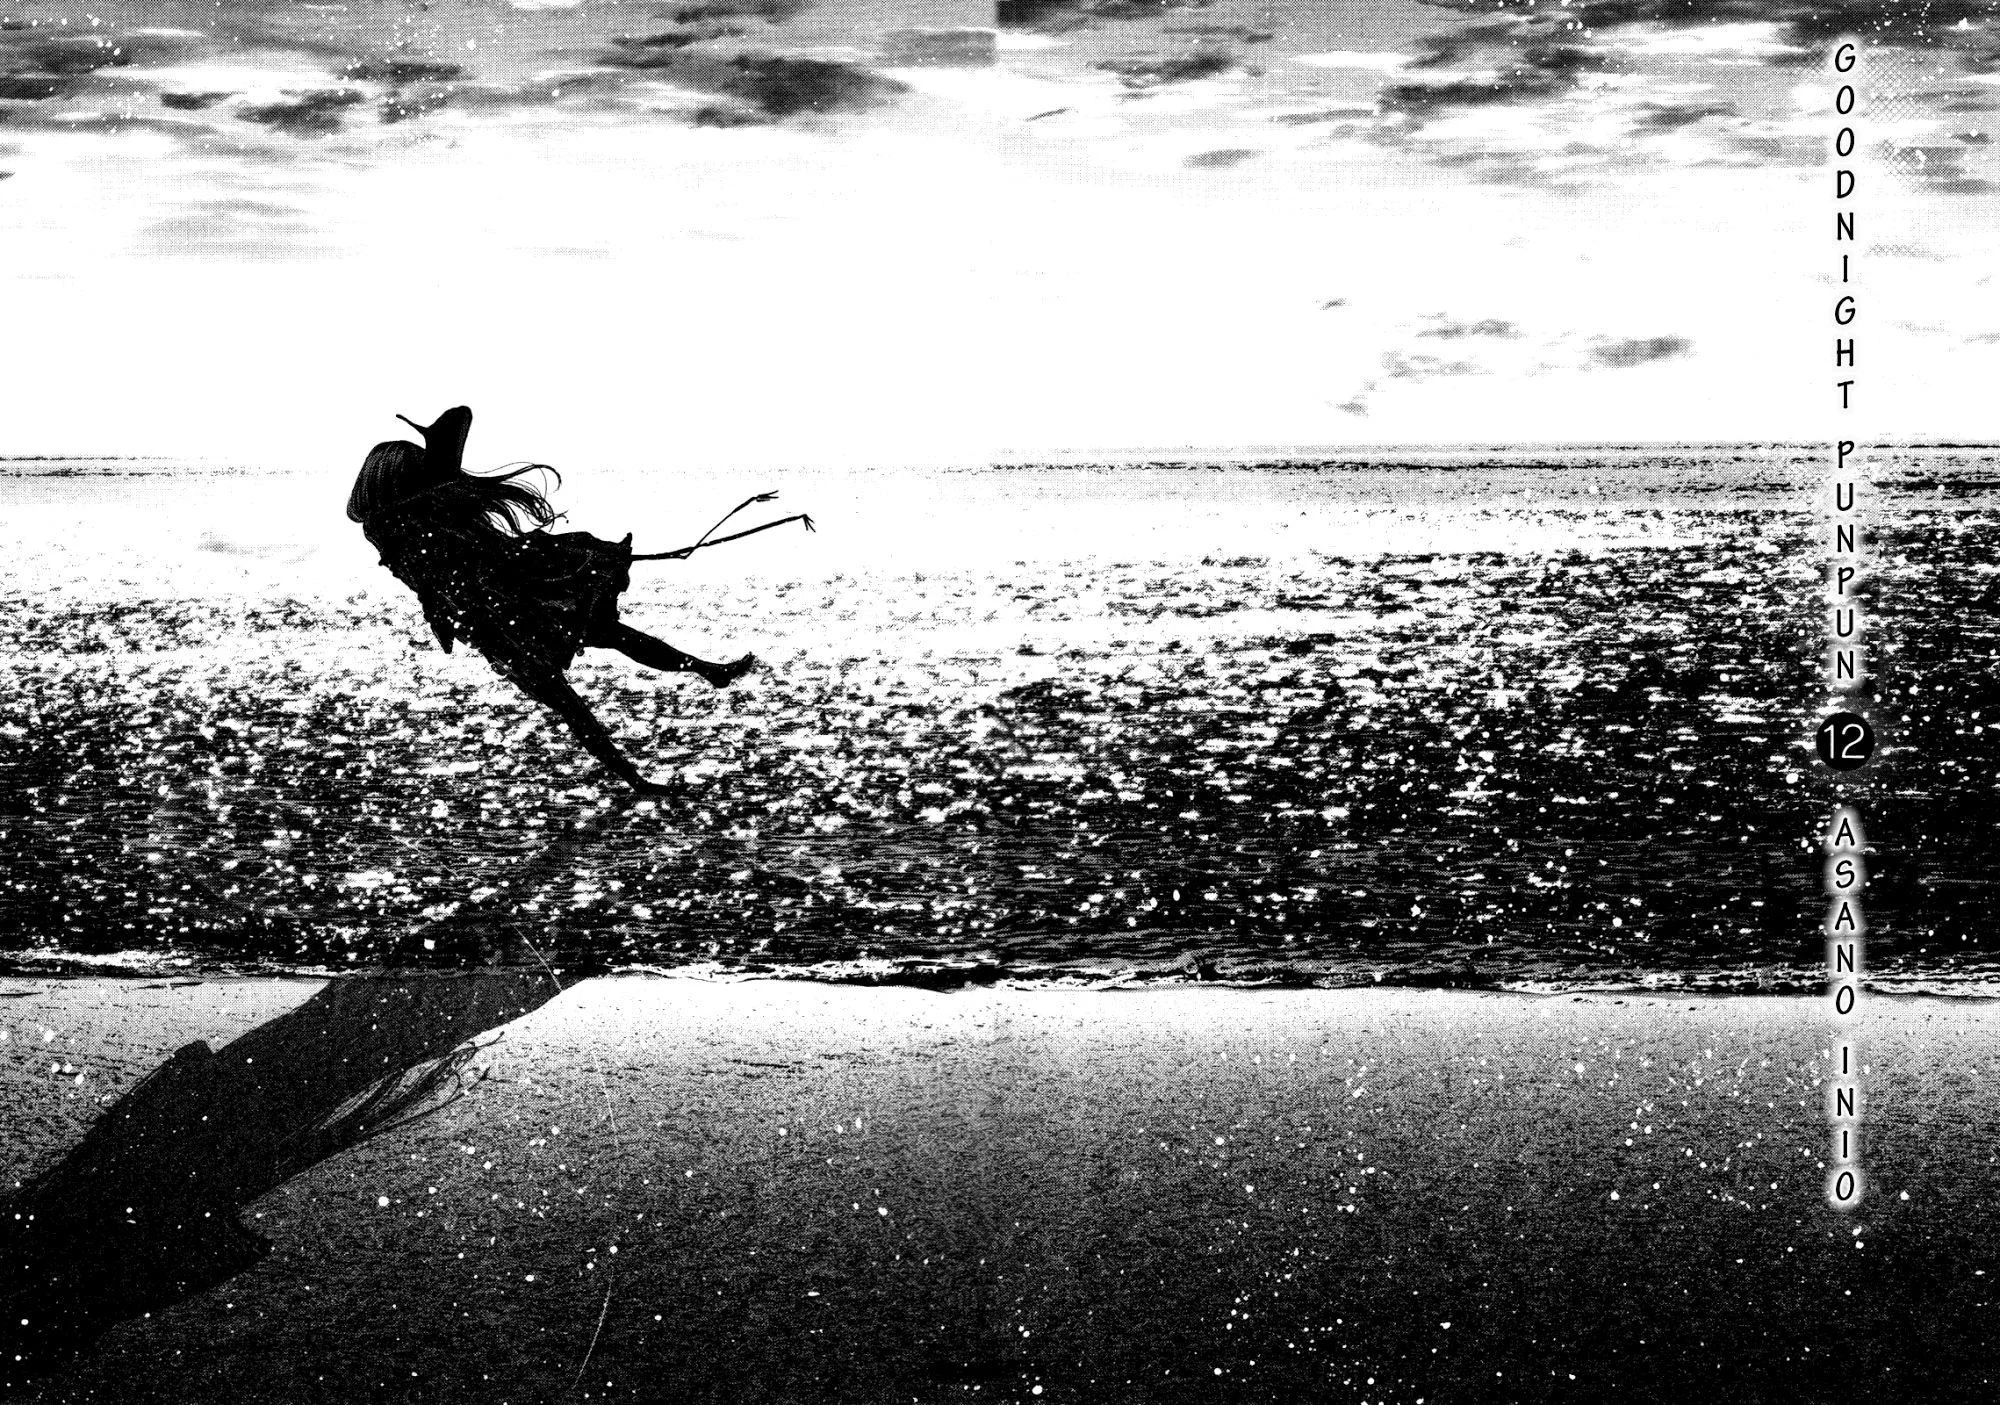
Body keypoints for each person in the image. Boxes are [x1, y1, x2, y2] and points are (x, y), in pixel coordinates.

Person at [346, 406, 755, 795]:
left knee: (609, 636)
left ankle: (706, 670)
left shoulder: (417, 513)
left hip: (512, 601)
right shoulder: (400, 526)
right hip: (490, 622)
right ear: (397, 478)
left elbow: (457, 435)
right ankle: (636, 779)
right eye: (417, 470)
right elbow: (442, 575)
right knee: (566, 698)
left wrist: (438, 445)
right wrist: (439, 448)